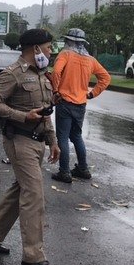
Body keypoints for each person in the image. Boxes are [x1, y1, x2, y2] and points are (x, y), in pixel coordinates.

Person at [0, 28, 62, 265]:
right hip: (19, 141)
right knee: (34, 195)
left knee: (22, 188)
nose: (50, 51)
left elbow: (45, 113)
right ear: (35, 49)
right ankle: (34, 256)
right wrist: (23, 116)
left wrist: (53, 141)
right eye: (47, 47)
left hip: (38, 142)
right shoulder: (13, 73)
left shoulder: (43, 76)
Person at [50, 28, 111, 183]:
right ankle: (83, 169)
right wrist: (91, 94)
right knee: (76, 136)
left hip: (64, 101)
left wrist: (56, 91)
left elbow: (56, 72)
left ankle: (64, 172)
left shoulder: (65, 54)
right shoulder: (90, 60)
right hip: (81, 103)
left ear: (69, 41)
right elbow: (105, 78)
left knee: (62, 137)